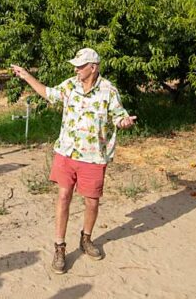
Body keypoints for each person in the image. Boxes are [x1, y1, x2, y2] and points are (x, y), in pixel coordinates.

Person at [11, 48, 137, 274]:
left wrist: (124, 122)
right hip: (66, 152)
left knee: (92, 202)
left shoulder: (109, 90)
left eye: (80, 66)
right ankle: (59, 247)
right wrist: (27, 76)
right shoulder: (70, 85)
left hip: (94, 156)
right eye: (76, 65)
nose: (76, 69)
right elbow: (48, 93)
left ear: (93, 67)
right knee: (63, 196)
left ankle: (86, 239)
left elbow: (119, 116)